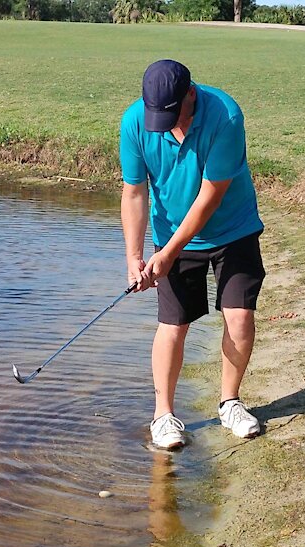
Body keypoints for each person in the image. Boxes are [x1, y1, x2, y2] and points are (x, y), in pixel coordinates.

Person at [119, 59, 267, 450]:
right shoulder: (135, 122)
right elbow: (134, 192)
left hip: (232, 228)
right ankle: (163, 415)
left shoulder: (226, 116)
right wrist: (134, 256)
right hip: (170, 233)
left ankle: (230, 403)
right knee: (174, 323)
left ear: (191, 93)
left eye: (171, 113)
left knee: (239, 315)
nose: (164, 122)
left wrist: (168, 254)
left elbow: (210, 195)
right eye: (157, 114)